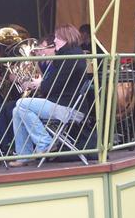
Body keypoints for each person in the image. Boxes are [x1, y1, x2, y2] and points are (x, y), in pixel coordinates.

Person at [10, 24, 86, 166]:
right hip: (62, 104)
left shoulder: (70, 58)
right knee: (16, 110)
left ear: (65, 38)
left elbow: (50, 87)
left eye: (57, 38)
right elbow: (54, 85)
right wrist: (42, 83)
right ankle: (24, 156)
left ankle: (45, 143)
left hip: (68, 108)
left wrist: (40, 83)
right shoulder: (69, 56)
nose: (55, 41)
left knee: (21, 104)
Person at [0, 34, 56, 151]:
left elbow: (46, 83)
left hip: (45, 100)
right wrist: (23, 80)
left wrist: (33, 83)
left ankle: (13, 146)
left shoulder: (54, 63)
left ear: (53, 47)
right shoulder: (43, 62)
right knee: (1, 108)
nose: (39, 52)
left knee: (10, 109)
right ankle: (6, 146)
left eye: (42, 48)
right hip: (37, 98)